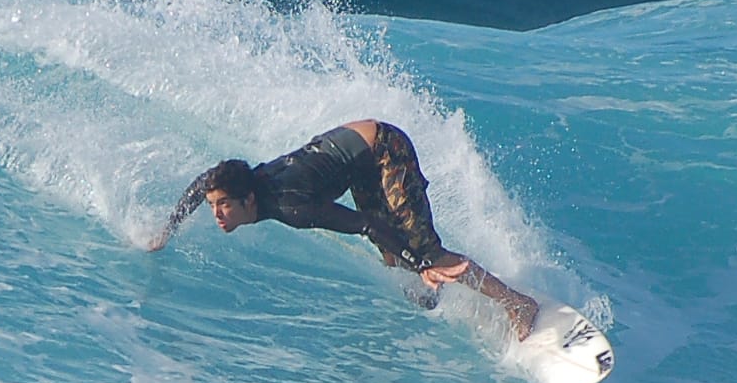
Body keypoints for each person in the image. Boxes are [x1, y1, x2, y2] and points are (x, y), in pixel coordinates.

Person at [150, 119, 540, 339]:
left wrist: (420, 263)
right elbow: (201, 185)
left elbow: (366, 224)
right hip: (358, 159)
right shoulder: (237, 183)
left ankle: (516, 302)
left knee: (424, 251)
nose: (217, 213)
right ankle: (436, 299)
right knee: (394, 254)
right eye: (213, 206)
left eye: (224, 206)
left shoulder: (291, 207)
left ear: (248, 201)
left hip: (383, 148)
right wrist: (167, 231)